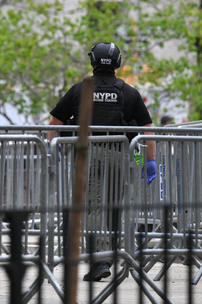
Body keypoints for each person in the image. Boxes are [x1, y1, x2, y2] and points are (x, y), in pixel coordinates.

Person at [48, 42, 156, 282]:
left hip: (87, 155)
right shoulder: (128, 92)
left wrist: (53, 150)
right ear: (117, 63)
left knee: (93, 206)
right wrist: (151, 160)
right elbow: (149, 131)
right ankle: (111, 255)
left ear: (93, 62)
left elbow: (53, 124)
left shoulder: (79, 90)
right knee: (114, 206)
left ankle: (100, 260)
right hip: (120, 154)